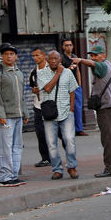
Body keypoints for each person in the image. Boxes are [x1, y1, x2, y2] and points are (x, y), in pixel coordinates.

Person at [74, 45, 111, 177]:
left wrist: (80, 60)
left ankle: (110, 168)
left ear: (103, 55)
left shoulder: (103, 66)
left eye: (96, 55)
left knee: (108, 139)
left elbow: (92, 64)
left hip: (106, 107)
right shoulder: (108, 65)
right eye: (92, 55)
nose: (93, 58)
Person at [0, 43, 28, 187]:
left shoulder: (18, 72)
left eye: (11, 54)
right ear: (2, 56)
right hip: (5, 117)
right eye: (6, 54)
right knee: (5, 147)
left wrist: (25, 112)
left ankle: (13, 175)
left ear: (16, 56)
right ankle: (5, 177)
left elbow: (21, 95)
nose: (9, 56)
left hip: (18, 115)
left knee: (17, 146)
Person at [41, 51, 79, 180]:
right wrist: (58, 73)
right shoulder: (42, 73)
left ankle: (72, 167)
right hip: (49, 114)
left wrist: (72, 109)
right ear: (47, 60)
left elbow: (72, 91)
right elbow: (47, 88)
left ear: (60, 60)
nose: (53, 61)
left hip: (66, 111)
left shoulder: (68, 73)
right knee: (51, 144)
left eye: (55, 59)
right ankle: (57, 169)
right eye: (50, 59)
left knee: (69, 140)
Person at [29, 47, 62, 168]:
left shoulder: (54, 69)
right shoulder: (34, 72)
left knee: (60, 132)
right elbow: (32, 86)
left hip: (53, 105)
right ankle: (45, 158)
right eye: (33, 56)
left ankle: (69, 152)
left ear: (44, 56)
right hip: (39, 106)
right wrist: (34, 90)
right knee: (40, 133)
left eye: (37, 55)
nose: (35, 58)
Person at [60, 39, 87, 136]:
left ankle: (79, 129)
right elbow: (59, 72)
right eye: (66, 45)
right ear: (63, 47)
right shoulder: (61, 58)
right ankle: (68, 129)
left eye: (70, 45)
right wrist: (68, 69)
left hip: (75, 87)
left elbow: (78, 71)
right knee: (67, 109)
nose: (69, 47)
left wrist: (79, 85)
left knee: (78, 107)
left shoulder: (74, 57)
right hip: (65, 87)